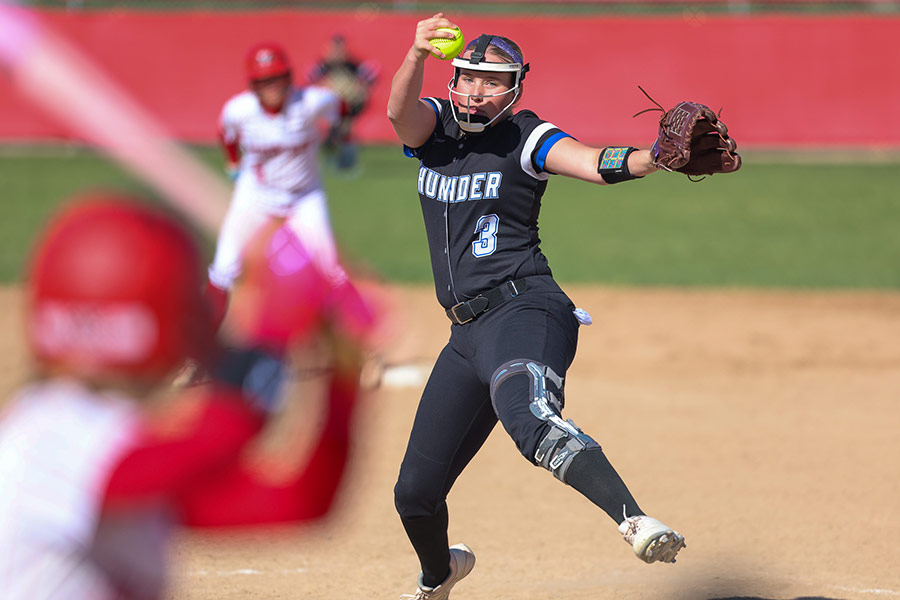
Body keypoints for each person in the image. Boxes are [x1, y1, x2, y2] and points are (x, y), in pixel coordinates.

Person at [387, 14, 689, 599]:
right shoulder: (436, 128)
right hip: (464, 334)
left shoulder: (525, 135)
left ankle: (635, 520)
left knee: (529, 420)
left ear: (516, 87)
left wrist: (654, 159)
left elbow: (593, 163)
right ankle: (438, 576)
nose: (477, 90)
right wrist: (415, 53)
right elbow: (400, 112)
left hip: (525, 310)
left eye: (493, 81)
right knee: (414, 494)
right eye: (470, 77)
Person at [0, 193, 363, 600]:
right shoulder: (47, 442)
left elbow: (298, 501)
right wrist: (275, 324)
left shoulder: (116, 448)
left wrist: (343, 372)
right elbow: (217, 438)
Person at [209, 41, 374, 342]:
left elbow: (339, 109)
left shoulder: (312, 102)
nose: (272, 86)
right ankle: (200, 349)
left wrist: (343, 138)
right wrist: (233, 164)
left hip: (304, 197)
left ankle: (360, 344)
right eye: (264, 80)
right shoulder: (239, 110)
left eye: (277, 78)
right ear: (253, 84)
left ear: (289, 77)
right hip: (255, 196)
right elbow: (226, 134)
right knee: (224, 267)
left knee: (330, 268)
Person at [308, 34, 379, 172]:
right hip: (331, 107)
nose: (337, 52)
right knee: (333, 133)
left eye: (340, 48)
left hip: (348, 105)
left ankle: (347, 163)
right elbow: (311, 79)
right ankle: (334, 159)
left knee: (345, 131)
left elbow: (371, 76)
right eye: (334, 48)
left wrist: (360, 91)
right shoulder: (324, 66)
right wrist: (325, 87)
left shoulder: (352, 65)